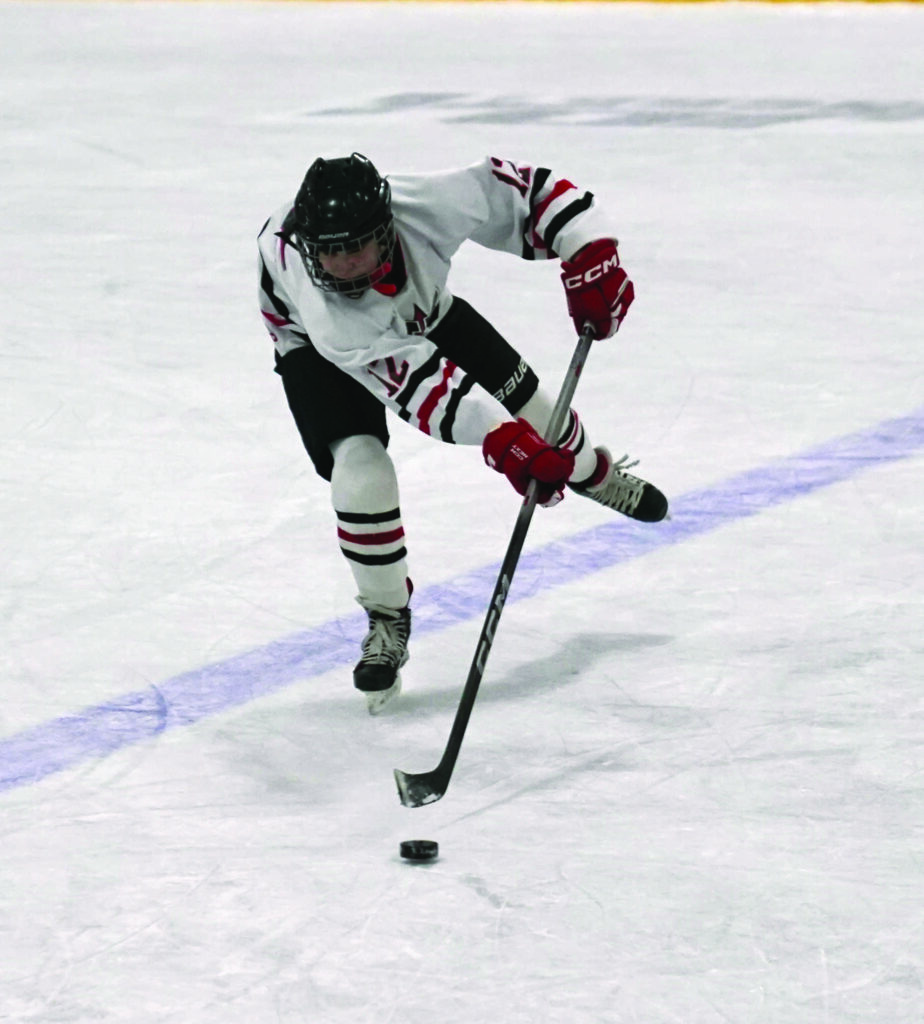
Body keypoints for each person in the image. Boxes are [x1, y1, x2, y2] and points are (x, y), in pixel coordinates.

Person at [258, 153, 667, 713]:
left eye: (357, 247)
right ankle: (386, 616)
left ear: (388, 229)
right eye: (330, 251)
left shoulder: (426, 204)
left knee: (538, 412)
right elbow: (428, 391)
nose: (345, 266)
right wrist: (509, 446)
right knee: (361, 470)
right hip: (314, 350)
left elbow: (527, 192)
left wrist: (590, 252)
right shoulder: (331, 313)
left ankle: (590, 472)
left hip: (428, 311)